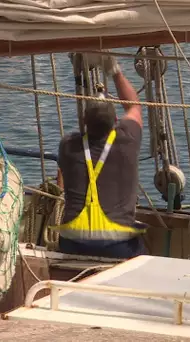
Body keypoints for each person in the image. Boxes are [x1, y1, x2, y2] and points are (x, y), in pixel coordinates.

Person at [50, 53, 146, 259]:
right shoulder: (127, 139)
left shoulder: (67, 145)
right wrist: (115, 72)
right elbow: (134, 107)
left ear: (84, 121)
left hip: (73, 242)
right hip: (117, 244)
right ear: (116, 121)